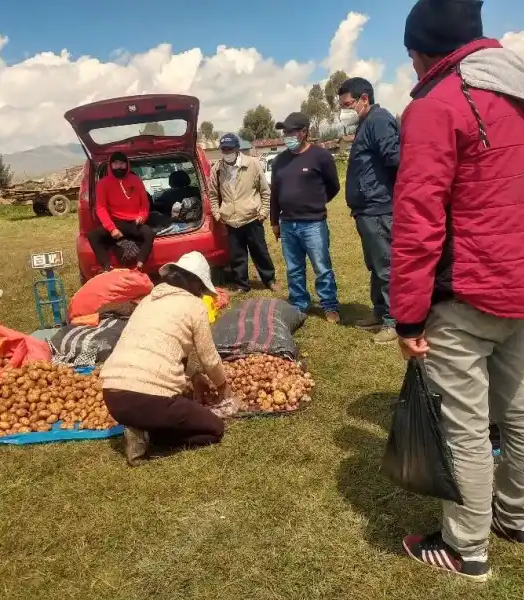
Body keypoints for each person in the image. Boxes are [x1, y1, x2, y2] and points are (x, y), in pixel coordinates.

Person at [390, 0, 524, 582]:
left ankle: (466, 548)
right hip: (517, 282)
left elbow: (418, 220)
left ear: (426, 51)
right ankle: (521, 518)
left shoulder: (436, 105)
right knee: (519, 405)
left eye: (413, 55)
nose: (414, 67)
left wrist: (408, 319)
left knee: (464, 424)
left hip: (463, 290)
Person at [100, 251, 237, 466]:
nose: (201, 294)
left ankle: (138, 425)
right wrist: (223, 387)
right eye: (201, 289)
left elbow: (166, 347)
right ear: (193, 283)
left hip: (113, 397)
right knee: (214, 429)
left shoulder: (148, 300)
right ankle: (152, 437)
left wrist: (195, 376)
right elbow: (209, 358)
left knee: (162, 409)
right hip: (149, 398)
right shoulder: (194, 305)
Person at [338, 77, 401, 342]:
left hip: (379, 208)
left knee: (386, 265)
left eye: (347, 104)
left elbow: (396, 160)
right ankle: (379, 311)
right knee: (375, 265)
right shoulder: (366, 123)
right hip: (366, 210)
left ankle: (393, 320)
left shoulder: (379, 121)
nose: (344, 111)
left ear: (364, 98)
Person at [270, 112, 342, 324]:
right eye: (285, 132)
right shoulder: (279, 161)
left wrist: (316, 203)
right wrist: (274, 221)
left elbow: (333, 186)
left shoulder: (321, 156)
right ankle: (299, 304)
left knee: (321, 267)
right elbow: (275, 192)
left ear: (304, 132)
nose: (287, 135)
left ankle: (329, 306)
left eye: (291, 132)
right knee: (293, 269)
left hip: (313, 224)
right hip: (288, 223)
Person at [209, 133, 278, 294]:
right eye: (224, 149)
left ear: (237, 148)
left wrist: (264, 212)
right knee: (237, 255)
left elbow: (265, 191)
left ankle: (269, 280)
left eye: (230, 149)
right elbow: (212, 195)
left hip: (252, 218)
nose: (227, 152)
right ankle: (242, 285)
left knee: (260, 251)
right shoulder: (217, 169)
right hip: (231, 221)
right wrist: (218, 215)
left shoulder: (252, 164)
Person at [87, 151, 155, 271]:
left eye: (122, 163)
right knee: (93, 236)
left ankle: (139, 267)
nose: (119, 167)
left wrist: (142, 217)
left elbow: (144, 204)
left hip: (134, 223)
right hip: (116, 224)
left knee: (149, 233)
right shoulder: (102, 184)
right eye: (116, 163)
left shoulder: (136, 180)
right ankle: (107, 267)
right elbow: (101, 208)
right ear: (110, 165)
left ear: (127, 165)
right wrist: (112, 229)